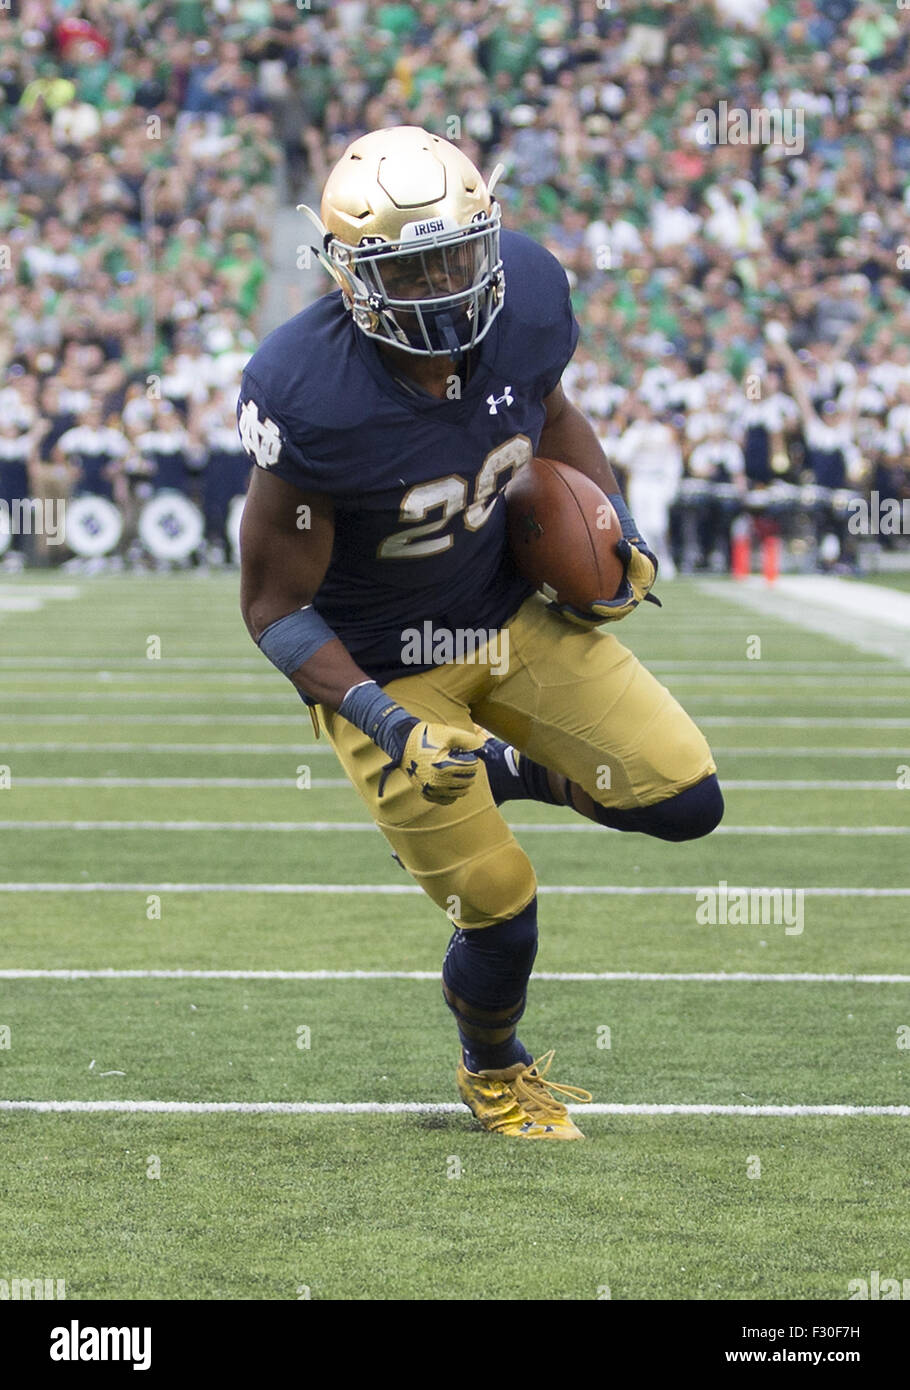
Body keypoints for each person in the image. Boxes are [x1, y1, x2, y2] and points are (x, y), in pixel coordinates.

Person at [237, 128, 723, 1141]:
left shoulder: (532, 295)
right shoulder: (307, 396)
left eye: (457, 253)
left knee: (685, 798)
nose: (442, 282)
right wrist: (385, 722)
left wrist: (614, 528)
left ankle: (511, 770)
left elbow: (548, 413)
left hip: (508, 616)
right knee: (499, 904)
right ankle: (492, 1067)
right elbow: (274, 608)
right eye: (408, 266)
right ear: (345, 273)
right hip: (383, 668)